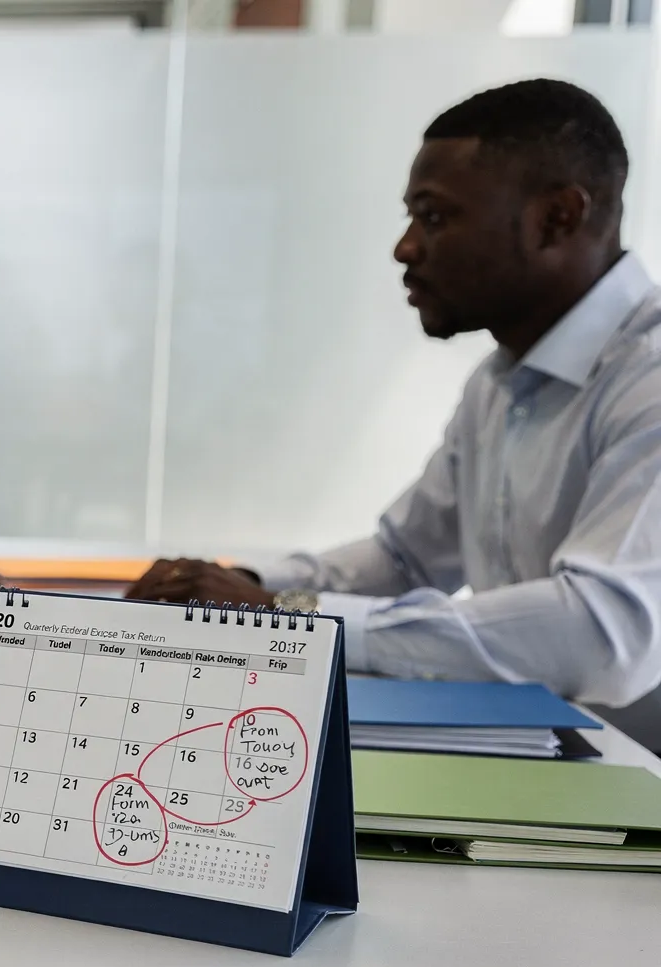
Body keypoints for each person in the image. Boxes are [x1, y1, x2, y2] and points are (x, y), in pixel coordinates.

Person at [126, 78, 661, 747]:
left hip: (632, 763)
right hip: (540, 743)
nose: (405, 248)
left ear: (556, 217)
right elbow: (406, 558)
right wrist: (243, 587)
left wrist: (292, 613)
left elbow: (599, 630)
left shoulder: (648, 376)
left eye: (434, 218)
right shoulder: (501, 381)